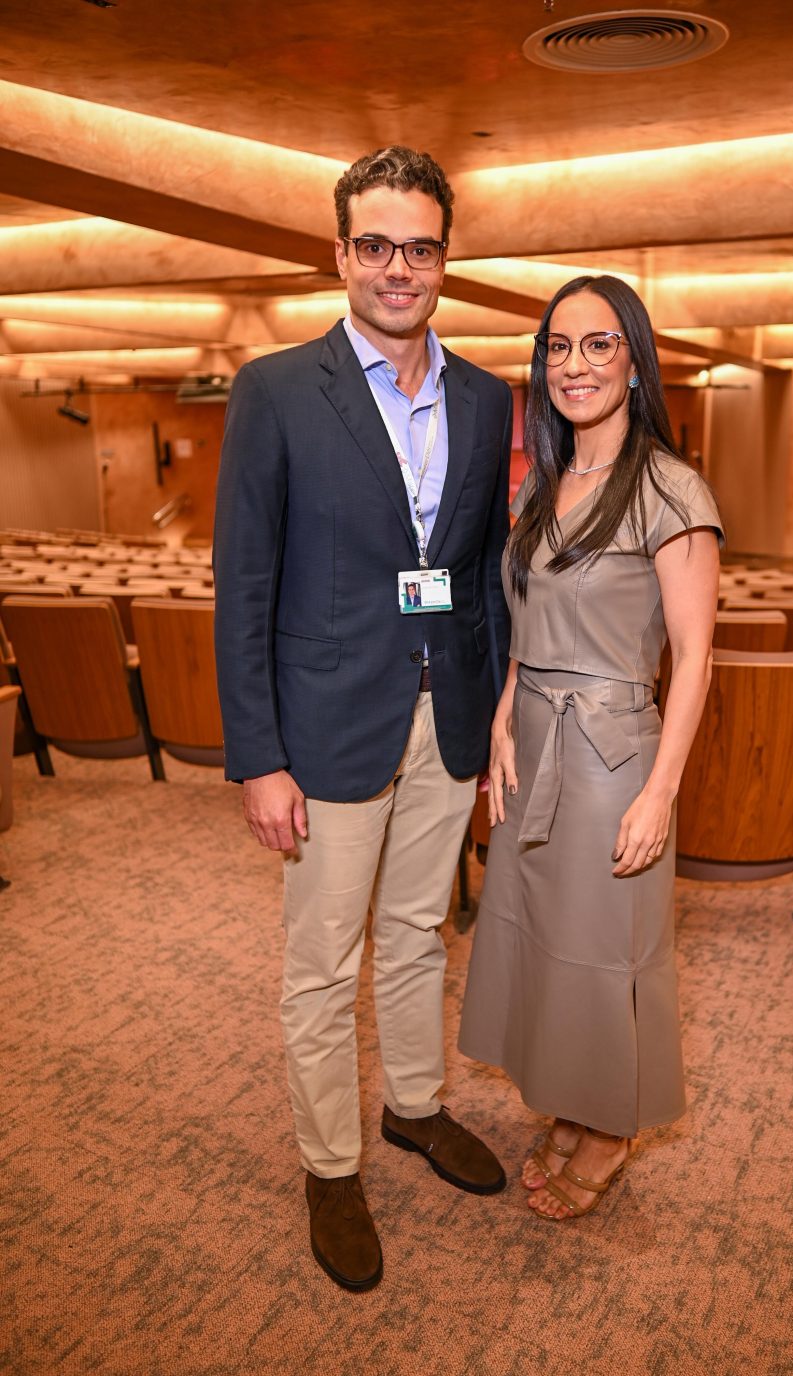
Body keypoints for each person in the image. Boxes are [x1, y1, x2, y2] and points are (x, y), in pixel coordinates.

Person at [213, 146, 514, 1290]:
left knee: (413, 936)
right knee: (320, 961)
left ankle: (414, 1107)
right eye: (376, 245)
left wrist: (486, 721)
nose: (400, 268)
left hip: (442, 718)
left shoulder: (485, 398)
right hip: (324, 728)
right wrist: (258, 758)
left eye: (421, 245)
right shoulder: (278, 388)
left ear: (446, 256)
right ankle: (329, 1164)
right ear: (340, 254)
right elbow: (241, 582)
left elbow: (475, 574)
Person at [458, 274, 723, 1221]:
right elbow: (523, 619)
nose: (576, 365)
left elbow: (693, 657)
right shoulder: (545, 483)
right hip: (531, 743)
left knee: (610, 946)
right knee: (549, 938)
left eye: (599, 344)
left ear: (634, 358)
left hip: (614, 755)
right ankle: (574, 1103)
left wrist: (660, 792)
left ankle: (610, 1129)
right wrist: (499, 718)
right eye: (559, 347)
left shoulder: (669, 487)